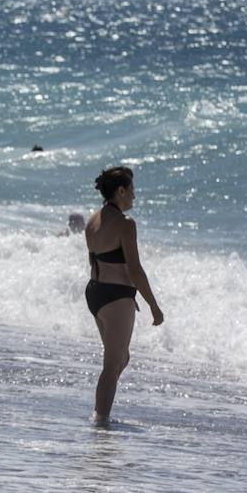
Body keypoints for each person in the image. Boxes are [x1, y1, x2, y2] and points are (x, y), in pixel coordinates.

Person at [84, 166, 163, 425]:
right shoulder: (125, 224)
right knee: (112, 364)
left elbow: (92, 261)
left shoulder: (92, 220)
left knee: (121, 358)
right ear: (121, 191)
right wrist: (153, 305)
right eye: (132, 190)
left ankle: (100, 414)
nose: (134, 196)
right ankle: (100, 422)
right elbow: (135, 270)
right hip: (116, 297)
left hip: (95, 293)